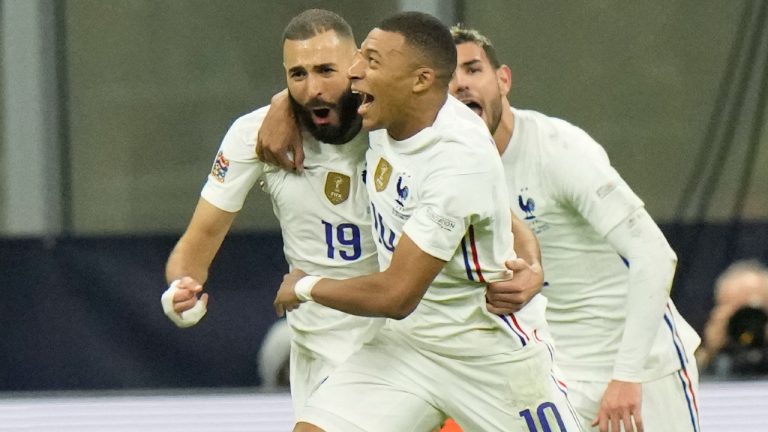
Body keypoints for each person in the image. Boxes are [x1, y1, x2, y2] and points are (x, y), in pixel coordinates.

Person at [274, 12, 581, 432]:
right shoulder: (383, 108)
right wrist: (280, 107)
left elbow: (397, 295)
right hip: (409, 347)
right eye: (360, 55)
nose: (355, 71)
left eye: (371, 62)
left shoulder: (457, 159)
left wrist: (305, 286)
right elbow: (503, 216)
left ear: (419, 81)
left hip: (488, 352)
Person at [448, 26, 702, 432]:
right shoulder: (448, 170)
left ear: (503, 79)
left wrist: (626, 376)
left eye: (472, 69)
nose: (460, 84)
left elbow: (655, 255)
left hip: (643, 371)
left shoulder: (558, 149)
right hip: (558, 376)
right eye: (447, 77)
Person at [160, 9, 384, 416]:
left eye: (325, 70)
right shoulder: (254, 135)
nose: (313, 88)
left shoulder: (399, 126)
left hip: (411, 343)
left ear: (356, 66)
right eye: (297, 75)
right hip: (324, 360)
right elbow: (199, 242)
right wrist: (180, 291)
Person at [698, 259, 768, 375]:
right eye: (738, 311)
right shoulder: (714, 360)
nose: (747, 323)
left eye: (754, 312)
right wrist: (709, 352)